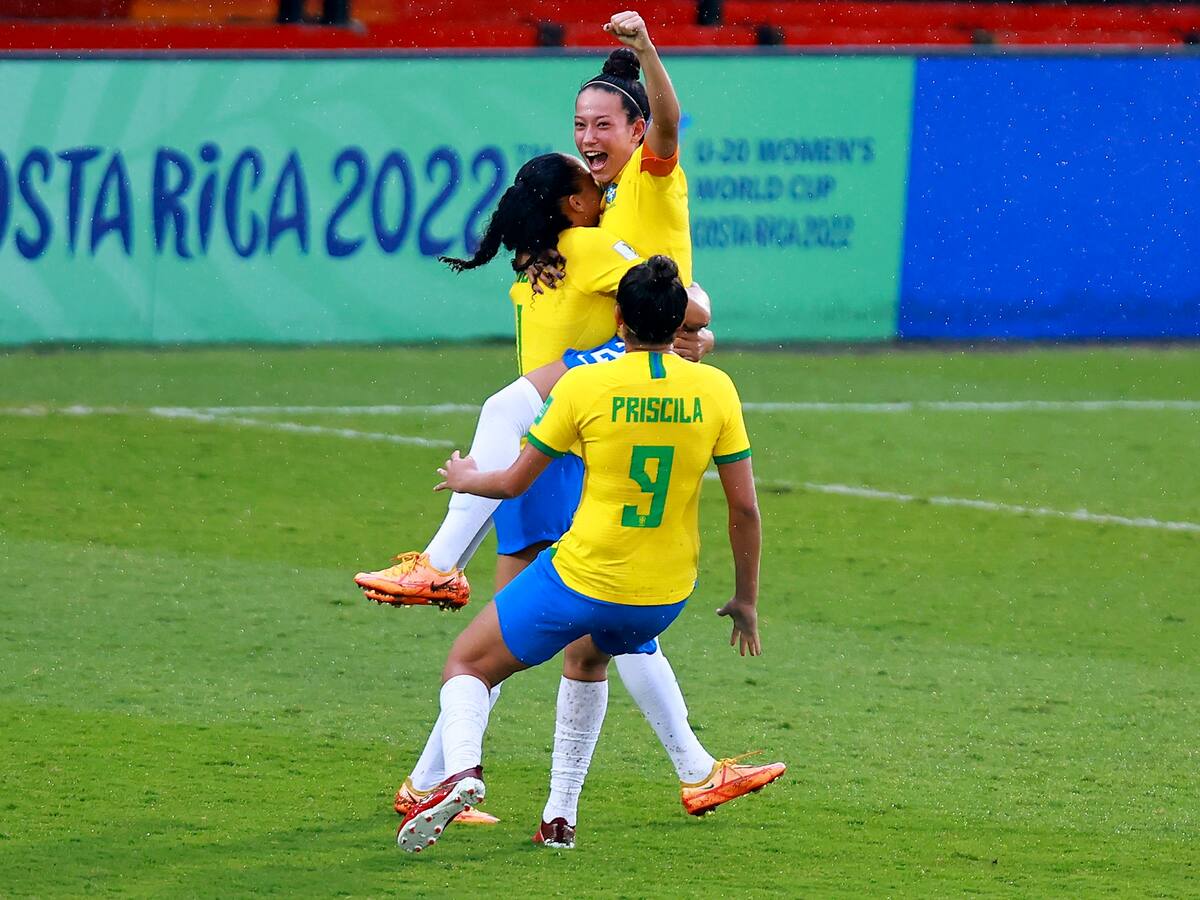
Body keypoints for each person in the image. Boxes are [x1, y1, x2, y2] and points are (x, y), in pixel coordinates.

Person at [358, 12, 783, 829]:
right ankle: (673, 771)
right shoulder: (588, 230)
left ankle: (454, 773)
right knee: (564, 631)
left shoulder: (647, 182)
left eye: (602, 125)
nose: (590, 137)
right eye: (579, 126)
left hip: (600, 410)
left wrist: (686, 320)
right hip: (585, 419)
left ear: (632, 129)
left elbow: (665, 124)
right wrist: (690, 322)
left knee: (544, 635)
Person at [397, 255, 765, 854]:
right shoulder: (716, 389)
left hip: (581, 576)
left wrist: (467, 475)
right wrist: (746, 599)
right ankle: (559, 819)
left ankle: (460, 772)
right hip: (661, 597)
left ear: (617, 317)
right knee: (591, 659)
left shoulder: (585, 384)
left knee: (467, 665)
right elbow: (745, 510)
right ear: (680, 327)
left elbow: (514, 482)